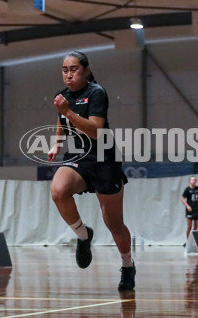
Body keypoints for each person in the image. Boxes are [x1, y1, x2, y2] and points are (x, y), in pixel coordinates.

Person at [47, 51, 134, 290]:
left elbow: (95, 130)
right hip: (78, 157)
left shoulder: (97, 92)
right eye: (64, 70)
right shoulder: (62, 97)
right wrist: (57, 143)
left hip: (104, 160)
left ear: (85, 70)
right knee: (58, 190)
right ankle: (83, 235)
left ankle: (127, 265)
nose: (68, 74)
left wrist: (68, 112)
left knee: (114, 223)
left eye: (73, 69)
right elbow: (60, 121)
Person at [181, 176, 198, 242]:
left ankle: (194, 240)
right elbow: (182, 198)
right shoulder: (187, 189)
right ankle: (188, 241)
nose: (193, 181)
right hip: (190, 209)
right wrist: (187, 206)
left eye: (194, 180)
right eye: (192, 180)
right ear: (189, 181)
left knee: (196, 226)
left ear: (196, 181)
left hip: (197, 209)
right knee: (189, 225)